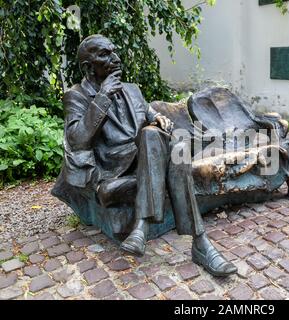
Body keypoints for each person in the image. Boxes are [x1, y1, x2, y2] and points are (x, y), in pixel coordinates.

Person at [60, 34, 237, 277]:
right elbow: (77, 139)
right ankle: (198, 243)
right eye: (105, 54)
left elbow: (148, 112)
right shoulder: (76, 96)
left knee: (168, 144)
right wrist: (103, 97)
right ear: (88, 68)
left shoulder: (132, 90)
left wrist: (157, 118)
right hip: (118, 168)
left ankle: (154, 229)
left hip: (147, 156)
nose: (115, 58)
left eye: (114, 51)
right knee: (159, 143)